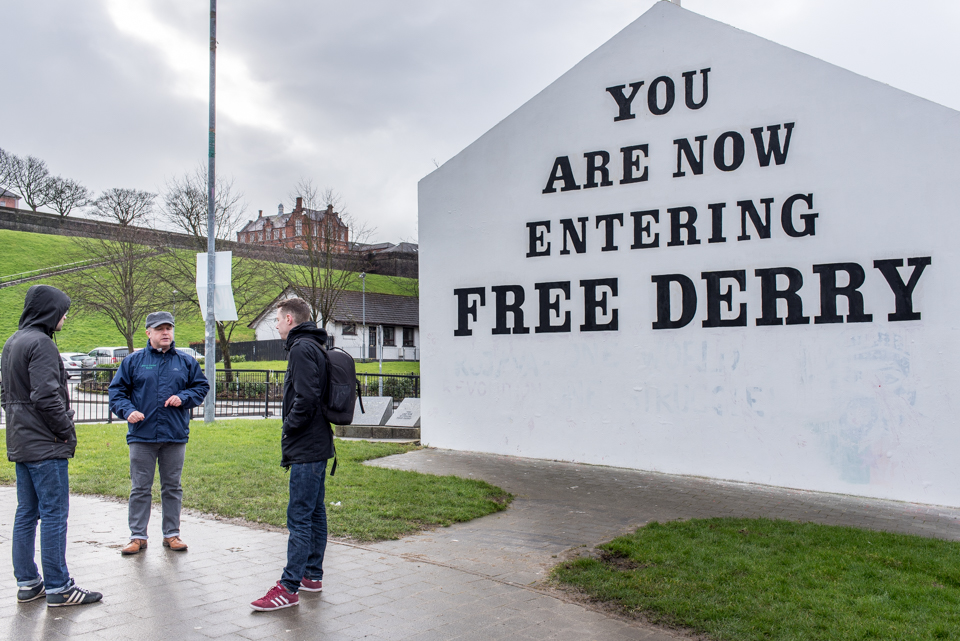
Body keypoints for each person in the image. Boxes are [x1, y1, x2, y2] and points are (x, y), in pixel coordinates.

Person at [1, 284, 102, 606]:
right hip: (45, 443)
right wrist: (66, 430)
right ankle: (60, 587)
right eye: (63, 310)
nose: (66, 316)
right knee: (54, 514)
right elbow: (45, 396)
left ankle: (28, 582)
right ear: (50, 311)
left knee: (26, 513)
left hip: (21, 440)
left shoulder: (13, 341)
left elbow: (5, 395)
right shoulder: (42, 344)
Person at [251, 297, 332, 611]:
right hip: (319, 442)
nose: (275, 325)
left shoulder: (300, 348)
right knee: (315, 512)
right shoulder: (315, 345)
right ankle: (312, 575)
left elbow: (307, 396)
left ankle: (288, 587)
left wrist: (289, 426)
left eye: (277, 320)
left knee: (299, 517)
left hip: (306, 445)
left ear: (289, 318)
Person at [108, 311, 210, 555]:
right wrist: (128, 411)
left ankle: (172, 535)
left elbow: (201, 386)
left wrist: (184, 397)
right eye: (160, 329)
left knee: (172, 487)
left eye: (169, 328)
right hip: (141, 436)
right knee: (140, 487)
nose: (166, 333)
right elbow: (116, 393)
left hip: (174, 435)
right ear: (148, 333)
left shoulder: (186, 362)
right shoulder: (133, 361)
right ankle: (137, 536)